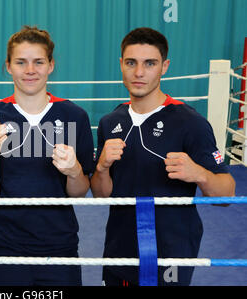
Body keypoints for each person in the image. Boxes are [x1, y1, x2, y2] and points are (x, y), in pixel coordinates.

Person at [91, 27, 236, 286]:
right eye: (131, 62)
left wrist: (199, 173)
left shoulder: (190, 122)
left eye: (150, 63)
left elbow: (227, 194)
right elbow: (103, 196)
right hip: (120, 247)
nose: (139, 72)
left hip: (172, 250)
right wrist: (101, 167)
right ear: (121, 64)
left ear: (164, 66)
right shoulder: (110, 122)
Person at [0, 25, 95, 286]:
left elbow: (79, 192)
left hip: (60, 247)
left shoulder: (74, 117)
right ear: (8, 66)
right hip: (4, 248)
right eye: (21, 62)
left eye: (38, 61)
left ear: (51, 65)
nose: (30, 70)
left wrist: (73, 171)